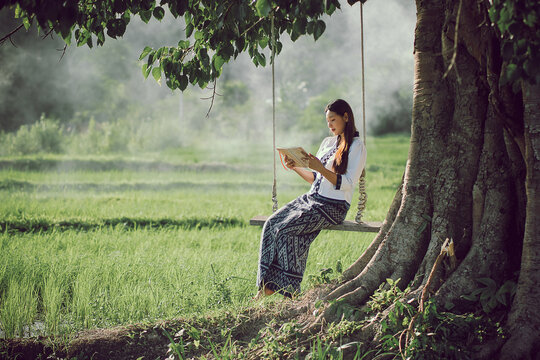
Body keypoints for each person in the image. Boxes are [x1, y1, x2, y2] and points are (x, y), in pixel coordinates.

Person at [256, 99, 367, 299]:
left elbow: (349, 182)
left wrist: (320, 168)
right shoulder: (327, 143)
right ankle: (266, 285)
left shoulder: (357, 146)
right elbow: (316, 179)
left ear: (346, 117)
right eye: (327, 121)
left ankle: (288, 291)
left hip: (332, 206)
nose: (330, 125)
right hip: (312, 199)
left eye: (333, 119)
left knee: (287, 231)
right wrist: (296, 167)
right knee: (271, 224)